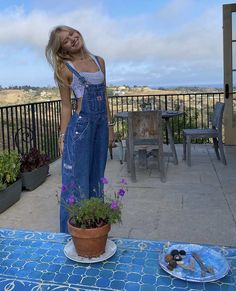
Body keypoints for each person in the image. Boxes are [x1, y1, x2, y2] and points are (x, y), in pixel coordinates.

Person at [45, 25, 114, 233]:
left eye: (72, 34)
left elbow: (105, 94)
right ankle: (68, 236)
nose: (73, 39)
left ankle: (92, 230)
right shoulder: (65, 69)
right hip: (80, 129)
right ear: (63, 49)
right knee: (75, 181)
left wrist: (110, 127)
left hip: (100, 127)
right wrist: (62, 137)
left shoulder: (99, 61)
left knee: (96, 178)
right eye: (66, 40)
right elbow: (66, 107)